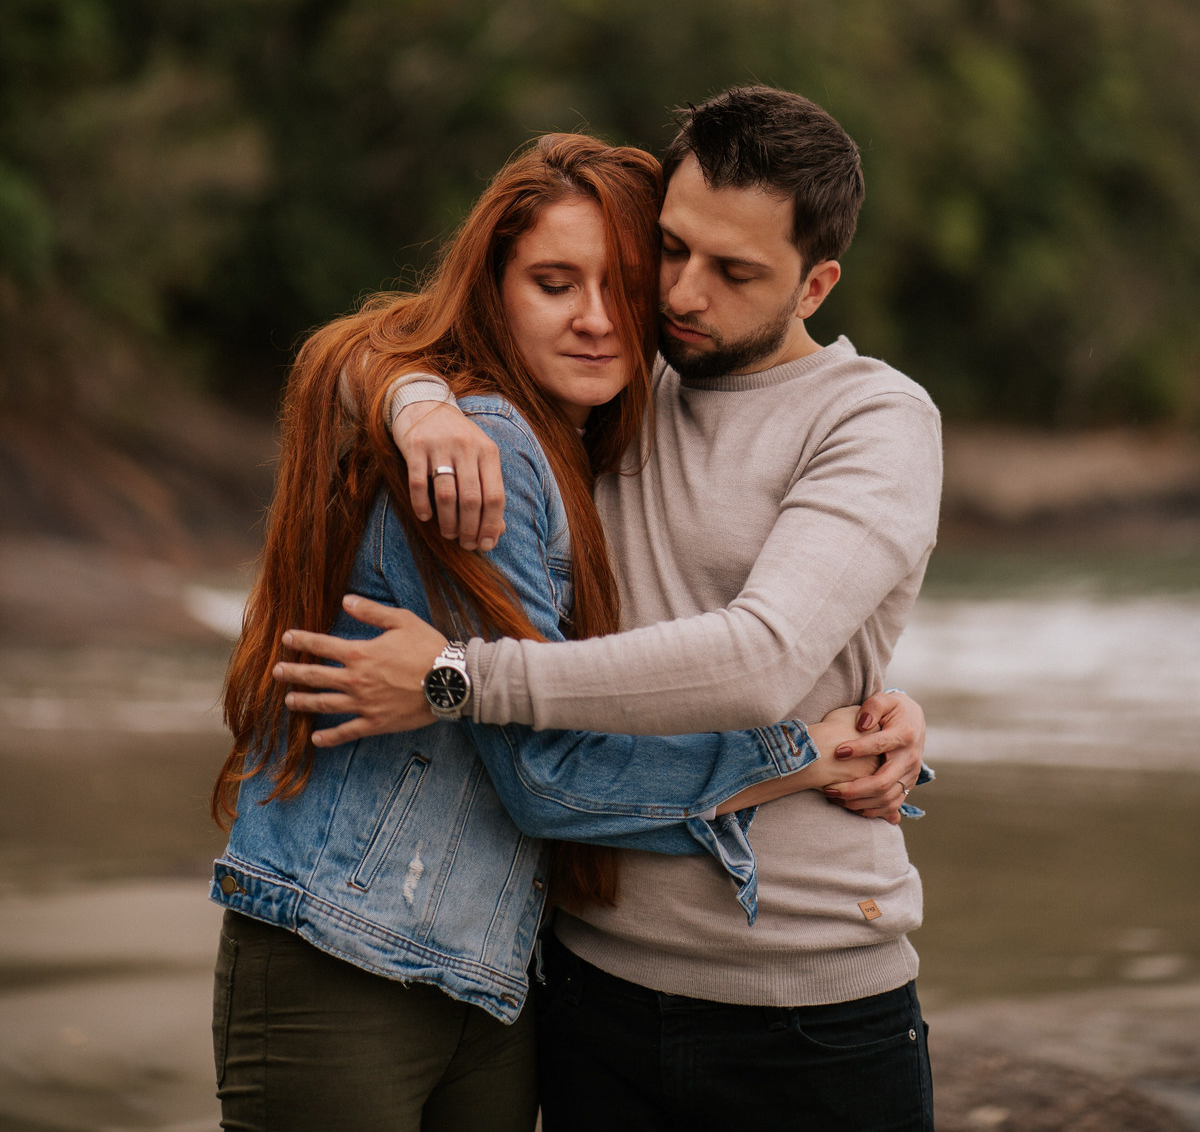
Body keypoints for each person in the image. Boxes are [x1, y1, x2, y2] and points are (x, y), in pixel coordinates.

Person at [276, 85, 942, 1132]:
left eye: (734, 273)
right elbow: (366, 348)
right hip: (588, 992)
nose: (680, 294)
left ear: (816, 283)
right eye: (670, 251)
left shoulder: (875, 418)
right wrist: (417, 399)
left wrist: (459, 678)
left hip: (809, 999)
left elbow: (764, 658)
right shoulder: (616, 387)